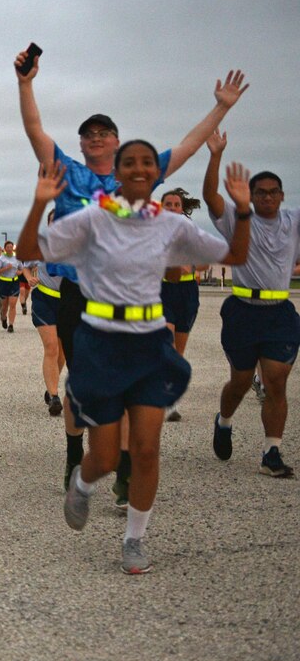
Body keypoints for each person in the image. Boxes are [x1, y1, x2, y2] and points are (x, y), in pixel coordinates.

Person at [15, 48, 250, 493]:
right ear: (82, 145)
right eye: (89, 134)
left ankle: (123, 469)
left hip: (131, 301)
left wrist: (220, 106)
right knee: (78, 387)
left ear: (118, 142)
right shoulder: (67, 173)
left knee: (127, 389)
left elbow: (184, 148)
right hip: (78, 296)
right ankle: (74, 455)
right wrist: (26, 83)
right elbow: (33, 129)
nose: (96, 138)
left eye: (104, 132)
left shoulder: (136, 178)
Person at [19, 143, 251, 574]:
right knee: (105, 456)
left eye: (148, 162)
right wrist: (39, 203)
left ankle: (134, 539)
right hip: (101, 343)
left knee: (146, 450)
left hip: (148, 344)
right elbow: (32, 247)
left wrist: (244, 211)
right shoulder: (92, 219)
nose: (140, 169)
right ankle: (84, 483)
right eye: (131, 163)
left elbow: (234, 256)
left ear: (156, 174)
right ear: (117, 174)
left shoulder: (168, 224)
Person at [204, 130, 300, 478]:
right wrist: (215, 155)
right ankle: (224, 419)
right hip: (243, 310)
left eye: (274, 192)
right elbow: (210, 196)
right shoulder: (237, 218)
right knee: (241, 383)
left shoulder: (293, 222)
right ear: (252, 194)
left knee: (276, 381)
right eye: (261, 192)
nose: (268, 198)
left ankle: (271, 450)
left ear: (282, 195)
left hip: (280, 313)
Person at [159, 187, 206, 422]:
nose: (173, 209)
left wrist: (192, 265)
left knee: (179, 351)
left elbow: (206, 263)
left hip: (187, 293)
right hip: (161, 291)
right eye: (168, 205)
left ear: (182, 209)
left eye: (177, 205)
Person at [29, 219, 66, 417]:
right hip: (45, 299)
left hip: (69, 302)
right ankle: (54, 396)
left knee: (62, 353)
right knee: (51, 347)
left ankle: (50, 384)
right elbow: (25, 265)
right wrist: (28, 277)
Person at [0, 241, 22, 333]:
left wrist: (19, 272)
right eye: (8, 247)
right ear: (5, 248)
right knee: (4, 306)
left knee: (13, 304)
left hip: (14, 283)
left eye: (11, 247)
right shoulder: (1, 259)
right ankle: (3, 318)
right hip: (3, 283)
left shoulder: (17, 258)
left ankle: (11, 325)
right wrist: (5, 268)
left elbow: (21, 270)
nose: (10, 248)